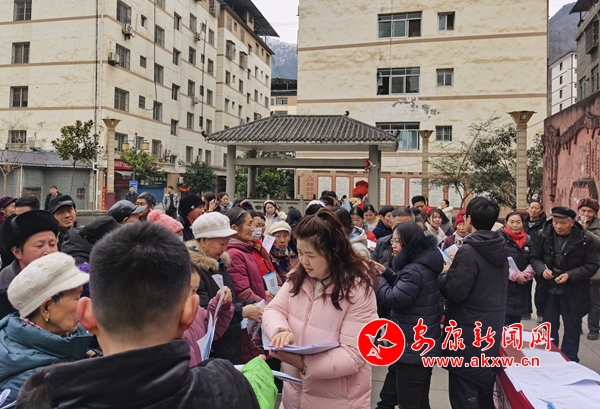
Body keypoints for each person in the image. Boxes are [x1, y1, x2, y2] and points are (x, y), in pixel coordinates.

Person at [40, 222, 271, 408]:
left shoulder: (46, 397)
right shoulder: (226, 386)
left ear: (86, 315)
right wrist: (258, 373)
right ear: (189, 313)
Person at [263, 209, 378, 409]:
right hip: (294, 396)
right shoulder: (298, 277)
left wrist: (303, 364)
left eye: (310, 255)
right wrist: (280, 331)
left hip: (338, 400)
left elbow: (356, 353)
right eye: (300, 253)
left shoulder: (357, 289)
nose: (303, 261)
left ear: (332, 251)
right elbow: (274, 310)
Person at [439, 197, 507, 409]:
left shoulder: (469, 251)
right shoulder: (499, 246)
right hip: (489, 328)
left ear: (469, 219)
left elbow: (454, 292)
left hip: (467, 333)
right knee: (483, 394)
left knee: (464, 396)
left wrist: (444, 273)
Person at [0, 253, 93, 405]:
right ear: (46, 308)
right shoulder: (33, 387)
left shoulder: (69, 339)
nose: (85, 302)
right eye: (77, 298)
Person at [374, 223, 444, 409]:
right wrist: (387, 273)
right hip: (422, 345)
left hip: (413, 348)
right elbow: (408, 289)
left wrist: (377, 280)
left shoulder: (413, 269)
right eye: (392, 241)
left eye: (397, 241)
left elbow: (394, 299)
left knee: (409, 403)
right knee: (420, 401)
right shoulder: (423, 263)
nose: (393, 245)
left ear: (409, 242)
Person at [187, 212, 263, 365]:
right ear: (204, 241)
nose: (225, 248)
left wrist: (248, 304)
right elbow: (204, 312)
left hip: (230, 341)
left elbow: (230, 300)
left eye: (227, 243)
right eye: (221, 244)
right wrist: (241, 311)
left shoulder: (220, 264)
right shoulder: (194, 271)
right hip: (214, 348)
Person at [531, 206, 599, 362]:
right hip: (548, 291)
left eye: (563, 223)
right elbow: (535, 258)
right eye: (555, 222)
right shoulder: (542, 235)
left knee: (572, 329)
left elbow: (592, 265)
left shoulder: (584, 239)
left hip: (574, 292)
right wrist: (542, 270)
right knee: (549, 328)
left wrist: (570, 275)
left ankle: (570, 361)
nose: (558, 226)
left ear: (572, 222)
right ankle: (551, 359)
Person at [371, 206, 416, 409]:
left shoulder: (419, 253)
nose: (401, 232)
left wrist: (383, 278)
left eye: (406, 226)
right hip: (389, 310)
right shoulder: (384, 243)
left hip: (408, 314)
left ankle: (386, 403)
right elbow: (377, 269)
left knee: (399, 365)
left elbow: (402, 287)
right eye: (397, 226)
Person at [226, 207, 269, 362]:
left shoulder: (245, 249)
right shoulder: (234, 254)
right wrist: (268, 307)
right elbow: (243, 292)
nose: (253, 229)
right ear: (234, 228)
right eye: (249, 224)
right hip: (248, 320)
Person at [0, 210, 59, 318]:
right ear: (17, 252)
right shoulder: (3, 291)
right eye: (39, 246)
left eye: (52, 244)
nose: (48, 251)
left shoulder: (69, 285)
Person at [183, 262, 234, 367]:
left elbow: (213, 330)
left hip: (199, 371)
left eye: (195, 291)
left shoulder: (197, 310)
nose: (194, 296)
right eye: (188, 290)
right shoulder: (166, 320)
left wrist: (221, 304)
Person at [498, 212, 535, 326]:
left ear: (523, 223)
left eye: (518, 222)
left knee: (516, 324)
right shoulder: (499, 238)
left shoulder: (528, 239)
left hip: (522, 286)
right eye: (512, 222)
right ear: (506, 223)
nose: (515, 225)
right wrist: (514, 275)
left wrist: (527, 273)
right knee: (502, 323)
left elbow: (534, 258)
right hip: (504, 286)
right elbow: (498, 261)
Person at [578, 198, 600, 340]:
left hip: (594, 269)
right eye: (583, 210)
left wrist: (585, 231)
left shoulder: (598, 225)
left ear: (595, 212)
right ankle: (576, 325)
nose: (586, 214)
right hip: (576, 268)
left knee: (594, 302)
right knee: (576, 300)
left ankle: (594, 328)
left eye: (590, 211)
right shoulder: (572, 223)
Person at [524, 200, 547, 322]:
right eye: (531, 207)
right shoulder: (523, 223)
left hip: (539, 259)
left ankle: (541, 313)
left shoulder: (546, 225)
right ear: (528, 209)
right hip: (524, 258)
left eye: (536, 208)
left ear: (541, 210)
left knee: (541, 288)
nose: (533, 210)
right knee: (525, 285)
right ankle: (526, 311)